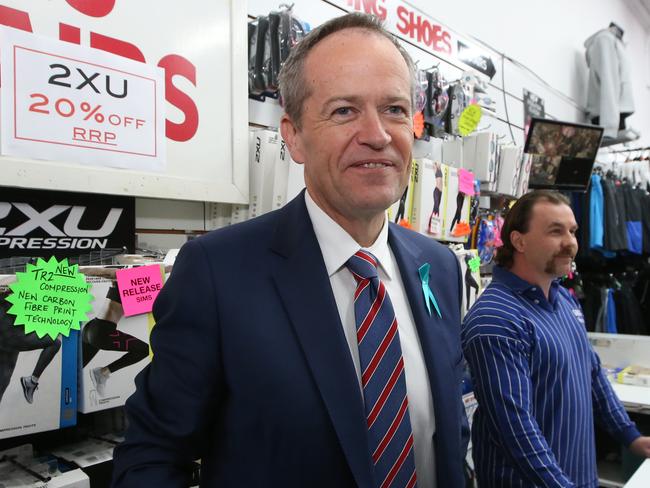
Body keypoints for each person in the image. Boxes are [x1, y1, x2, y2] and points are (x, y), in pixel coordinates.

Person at [112, 12, 468, 488]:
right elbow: (151, 456)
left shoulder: (440, 267)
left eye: (395, 109)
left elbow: (446, 433)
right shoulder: (219, 273)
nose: (378, 134)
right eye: (344, 110)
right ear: (294, 136)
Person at [462, 190, 650, 487]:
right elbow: (516, 430)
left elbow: (592, 376)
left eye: (573, 231)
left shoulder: (565, 301)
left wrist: (631, 436)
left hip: (576, 476)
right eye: (555, 231)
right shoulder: (496, 318)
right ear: (518, 240)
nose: (571, 243)